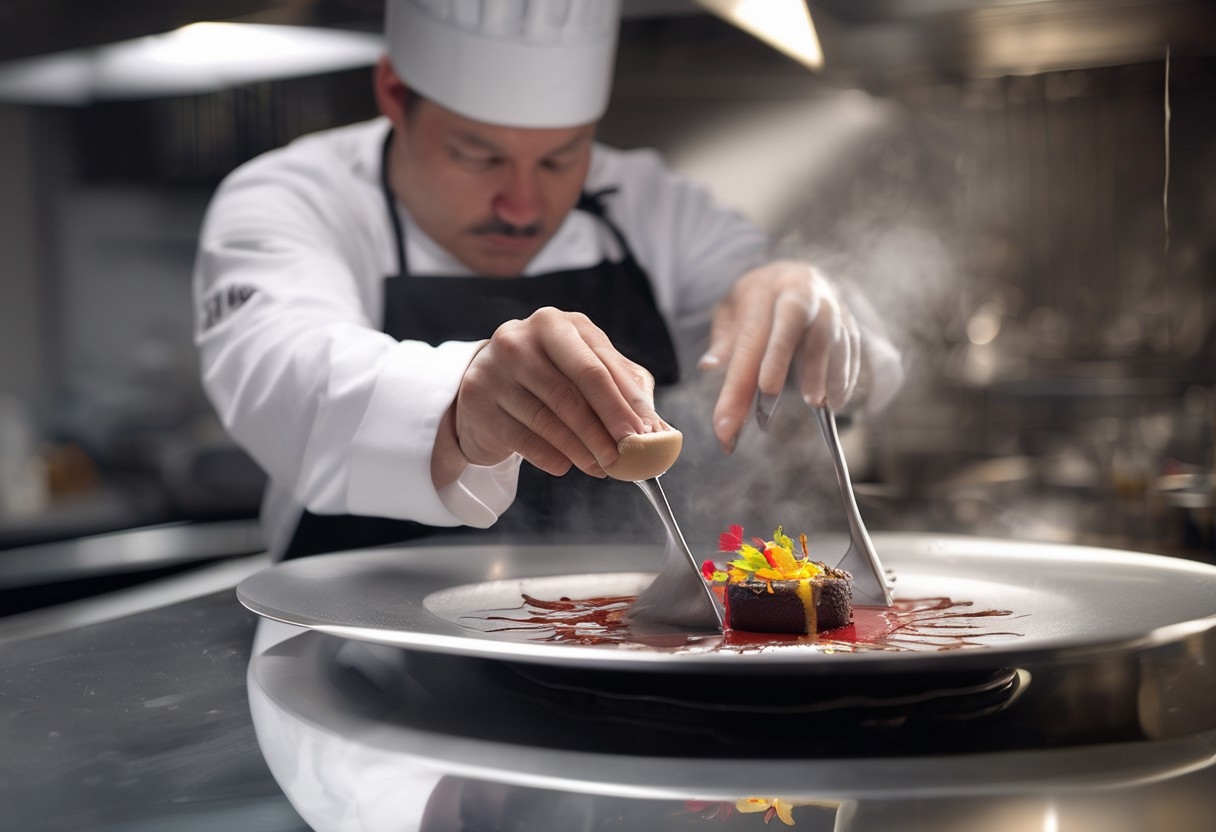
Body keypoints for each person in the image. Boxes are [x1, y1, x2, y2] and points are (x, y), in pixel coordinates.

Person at [192, 0, 904, 561]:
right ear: (392, 91)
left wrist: (809, 305)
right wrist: (466, 400)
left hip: (624, 642)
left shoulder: (650, 204)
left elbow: (837, 347)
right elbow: (278, 375)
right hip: (345, 664)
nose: (522, 205)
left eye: (563, 159)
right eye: (478, 156)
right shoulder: (291, 200)